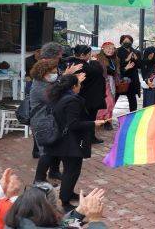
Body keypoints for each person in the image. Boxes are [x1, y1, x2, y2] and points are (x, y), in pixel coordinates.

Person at [43, 74, 107, 212]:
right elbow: (73, 124)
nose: (80, 86)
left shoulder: (59, 96)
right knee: (71, 171)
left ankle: (68, 193)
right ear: (73, 87)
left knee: (69, 170)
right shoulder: (72, 101)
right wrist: (93, 123)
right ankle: (64, 201)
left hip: (62, 138)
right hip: (70, 141)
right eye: (78, 84)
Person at [4, 184, 107, 229]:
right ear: (49, 209)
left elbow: (60, 225)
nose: (61, 201)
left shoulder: (16, 222)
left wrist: (78, 212)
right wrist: (95, 220)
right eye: (58, 200)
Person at [29, 59, 62, 184]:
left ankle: (54, 171)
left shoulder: (46, 83)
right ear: (44, 73)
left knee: (57, 147)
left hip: (51, 120)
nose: (56, 74)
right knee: (47, 151)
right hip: (41, 122)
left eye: (56, 72)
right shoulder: (39, 86)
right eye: (53, 72)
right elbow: (55, 98)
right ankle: (39, 179)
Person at [66, 45, 106, 144]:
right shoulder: (82, 65)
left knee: (84, 117)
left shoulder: (72, 63)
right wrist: (95, 61)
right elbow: (99, 71)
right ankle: (88, 138)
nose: (91, 55)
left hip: (84, 96)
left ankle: (87, 137)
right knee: (89, 118)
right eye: (89, 54)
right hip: (89, 97)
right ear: (83, 55)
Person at [96, 42, 122, 130]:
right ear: (103, 48)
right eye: (108, 48)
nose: (110, 50)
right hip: (102, 82)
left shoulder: (116, 59)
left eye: (112, 49)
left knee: (111, 100)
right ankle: (101, 119)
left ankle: (108, 121)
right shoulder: (98, 58)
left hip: (112, 82)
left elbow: (116, 72)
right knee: (107, 101)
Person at [116, 35, 141, 113]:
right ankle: (107, 116)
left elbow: (140, 66)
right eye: (125, 41)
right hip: (121, 77)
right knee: (115, 96)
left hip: (133, 78)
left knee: (132, 97)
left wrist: (136, 59)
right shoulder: (117, 51)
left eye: (129, 41)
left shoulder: (136, 52)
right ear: (121, 42)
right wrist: (126, 60)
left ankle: (133, 114)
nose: (127, 43)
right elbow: (116, 65)